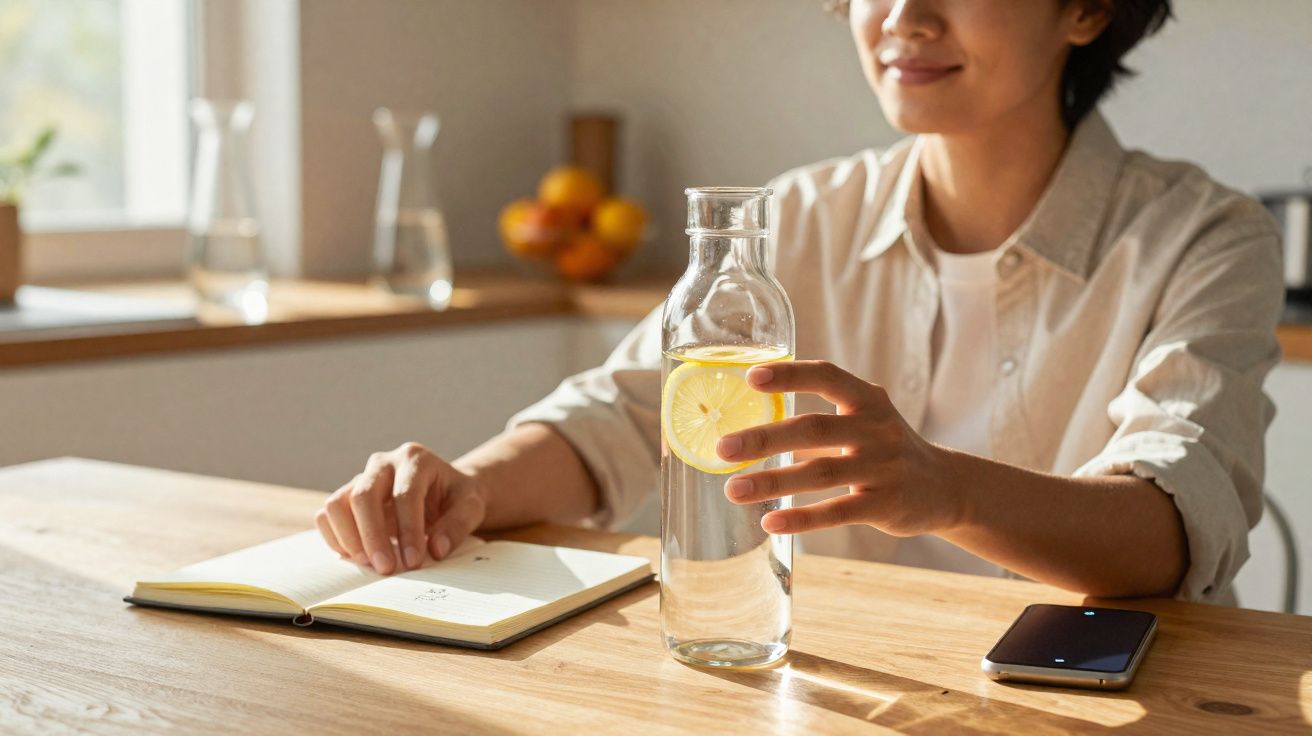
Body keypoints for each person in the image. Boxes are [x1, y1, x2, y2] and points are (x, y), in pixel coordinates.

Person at [315, 0, 1283, 604]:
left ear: (1086, 9)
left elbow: (1172, 525)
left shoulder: (1205, 236)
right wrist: (472, 486)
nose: (904, 13)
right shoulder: (791, 220)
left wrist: (943, 487)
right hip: (841, 691)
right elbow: (619, 414)